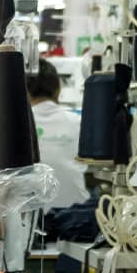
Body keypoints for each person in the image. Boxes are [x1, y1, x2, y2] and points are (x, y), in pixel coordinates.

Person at [27, 59, 89, 209]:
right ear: (58, 89)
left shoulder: (14, 126)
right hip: (74, 214)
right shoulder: (79, 122)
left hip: (32, 215)